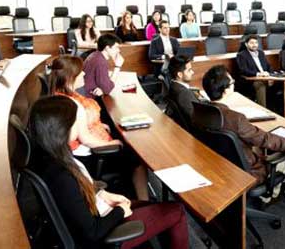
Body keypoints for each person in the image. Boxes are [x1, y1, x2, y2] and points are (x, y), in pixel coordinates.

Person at [28, 96, 188, 249]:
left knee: (152, 206)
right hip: (104, 236)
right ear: (64, 128)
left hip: (99, 209)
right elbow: (93, 232)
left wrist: (102, 194)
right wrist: (120, 211)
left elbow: (77, 197)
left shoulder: (50, 156)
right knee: (176, 210)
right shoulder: (62, 176)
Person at [48, 55, 149, 200]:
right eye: (80, 72)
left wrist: (98, 124)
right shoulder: (72, 105)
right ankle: (144, 201)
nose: (84, 74)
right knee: (137, 160)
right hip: (91, 154)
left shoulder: (60, 95)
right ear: (71, 77)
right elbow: (86, 138)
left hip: (78, 151)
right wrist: (110, 143)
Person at [201, 65, 285, 184]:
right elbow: (264, 139)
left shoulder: (202, 111)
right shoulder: (236, 118)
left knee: (259, 148)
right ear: (226, 90)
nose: (234, 84)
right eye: (232, 82)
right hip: (248, 172)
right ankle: (269, 196)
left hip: (223, 165)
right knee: (281, 159)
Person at [235, 34, 277, 108]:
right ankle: (263, 110)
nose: (254, 45)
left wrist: (270, 74)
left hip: (265, 78)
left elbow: (269, 66)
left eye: (256, 43)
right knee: (260, 85)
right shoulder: (241, 55)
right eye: (251, 43)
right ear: (246, 44)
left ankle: (278, 110)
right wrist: (258, 74)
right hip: (251, 81)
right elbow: (244, 70)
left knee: (281, 84)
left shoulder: (261, 53)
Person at [166, 55, 207, 125]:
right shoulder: (183, 93)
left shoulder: (174, 86)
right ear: (180, 74)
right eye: (189, 70)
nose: (192, 72)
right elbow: (196, 119)